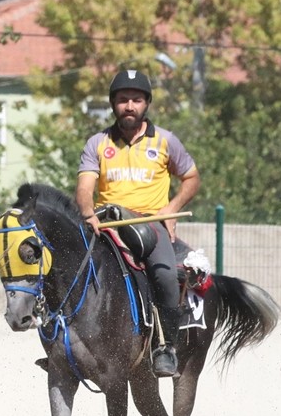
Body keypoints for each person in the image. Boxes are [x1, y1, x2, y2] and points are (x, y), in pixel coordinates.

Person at [75, 69, 201, 378]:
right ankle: (61, 342)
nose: (129, 106)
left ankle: (165, 348)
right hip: (106, 224)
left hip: (151, 225)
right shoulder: (97, 143)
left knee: (165, 276)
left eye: (136, 100)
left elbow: (191, 178)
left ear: (146, 104)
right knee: (68, 267)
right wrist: (88, 212)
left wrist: (171, 209)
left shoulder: (166, 141)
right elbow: (84, 187)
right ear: (112, 104)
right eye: (122, 100)